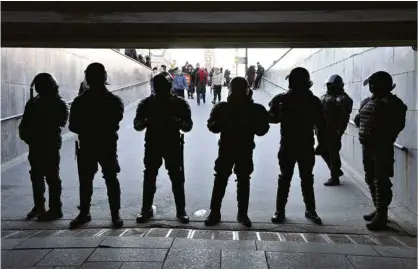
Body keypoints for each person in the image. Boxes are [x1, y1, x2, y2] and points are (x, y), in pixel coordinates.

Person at [205, 77, 270, 227]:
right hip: (233, 149)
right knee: (233, 180)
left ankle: (233, 213)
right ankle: (224, 213)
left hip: (240, 149)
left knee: (235, 180)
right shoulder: (226, 107)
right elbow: (212, 125)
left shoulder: (228, 107)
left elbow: (262, 129)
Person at [69, 63, 124, 229]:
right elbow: (115, 121)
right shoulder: (114, 101)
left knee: (86, 181)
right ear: (105, 77)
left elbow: (73, 126)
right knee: (111, 180)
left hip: (87, 145)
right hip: (106, 145)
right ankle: (115, 214)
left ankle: (85, 213)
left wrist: (88, 127)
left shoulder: (80, 101)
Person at [134, 72, 193, 224]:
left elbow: (188, 125)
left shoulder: (179, 103)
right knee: (149, 177)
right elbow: (137, 124)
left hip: (172, 144)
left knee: (176, 178)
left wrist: (177, 122)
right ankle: (145, 209)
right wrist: (146, 121)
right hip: (153, 144)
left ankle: (181, 210)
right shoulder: (146, 103)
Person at [268, 67, 325, 225]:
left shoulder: (286, 99)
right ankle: (297, 210)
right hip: (295, 145)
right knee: (298, 179)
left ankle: (288, 211)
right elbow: (272, 118)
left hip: (298, 145)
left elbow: (321, 124)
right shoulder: (287, 100)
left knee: (294, 178)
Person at [354, 71, 407, 231]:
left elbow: (398, 125)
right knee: (370, 178)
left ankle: (382, 216)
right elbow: (358, 120)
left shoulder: (395, 104)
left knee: (380, 180)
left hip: (381, 148)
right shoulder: (367, 101)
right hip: (367, 146)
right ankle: (378, 209)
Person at [19, 73, 69, 221]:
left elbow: (61, 121)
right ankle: (39, 206)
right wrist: (27, 136)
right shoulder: (33, 102)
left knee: (52, 177)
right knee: (36, 175)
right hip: (36, 143)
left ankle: (55, 208)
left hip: (50, 144)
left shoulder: (58, 103)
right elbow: (25, 121)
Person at [315, 74, 353, 186]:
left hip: (333, 131)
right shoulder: (326, 96)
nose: (329, 87)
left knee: (333, 153)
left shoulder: (343, 99)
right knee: (321, 150)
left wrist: (339, 130)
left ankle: (334, 176)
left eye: (331, 85)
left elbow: (345, 116)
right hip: (322, 130)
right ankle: (336, 170)